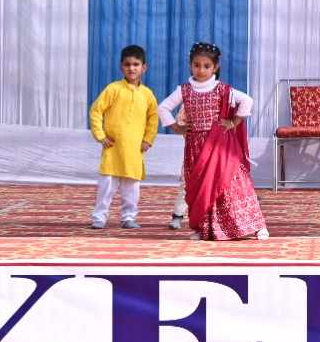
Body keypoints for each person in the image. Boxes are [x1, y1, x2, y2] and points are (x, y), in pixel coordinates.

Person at [157, 42, 269, 241]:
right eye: (196, 65)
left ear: (215, 67)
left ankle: (257, 225)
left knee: (234, 186)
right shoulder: (184, 90)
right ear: (190, 65)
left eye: (206, 66)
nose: (201, 70)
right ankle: (205, 228)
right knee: (201, 188)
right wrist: (176, 127)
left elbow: (247, 100)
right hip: (196, 149)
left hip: (220, 147)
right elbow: (163, 108)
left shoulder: (222, 89)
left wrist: (233, 122)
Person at [87, 44, 159, 229]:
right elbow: (96, 111)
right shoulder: (113, 89)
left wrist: (148, 139)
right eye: (127, 64)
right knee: (106, 186)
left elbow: (153, 118)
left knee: (132, 187)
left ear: (144, 67)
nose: (131, 68)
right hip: (112, 148)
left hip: (134, 150)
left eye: (136, 64)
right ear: (121, 67)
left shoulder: (147, 94)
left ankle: (129, 217)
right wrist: (100, 136)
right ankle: (99, 218)